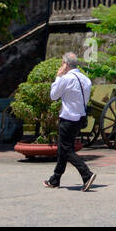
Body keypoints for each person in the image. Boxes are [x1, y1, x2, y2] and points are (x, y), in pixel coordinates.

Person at [44, 52, 97, 191]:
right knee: (63, 148)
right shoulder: (86, 80)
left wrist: (58, 76)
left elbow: (53, 95)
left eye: (62, 63)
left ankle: (87, 174)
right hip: (79, 118)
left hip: (68, 118)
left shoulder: (66, 78)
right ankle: (55, 179)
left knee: (67, 149)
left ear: (66, 65)